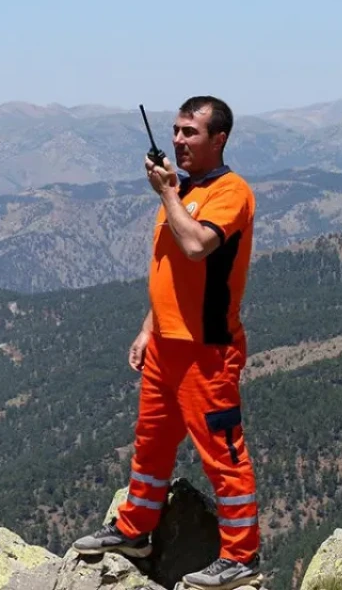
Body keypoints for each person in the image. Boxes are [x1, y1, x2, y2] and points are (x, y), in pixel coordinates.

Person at [73, 96, 262, 590]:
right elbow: (170, 275)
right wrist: (145, 328)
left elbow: (197, 246)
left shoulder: (230, 192)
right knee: (151, 445)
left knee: (223, 453)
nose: (178, 140)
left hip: (207, 351)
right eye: (175, 130)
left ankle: (241, 555)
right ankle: (135, 530)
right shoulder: (186, 191)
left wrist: (167, 196)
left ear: (217, 139)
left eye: (190, 133)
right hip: (164, 344)